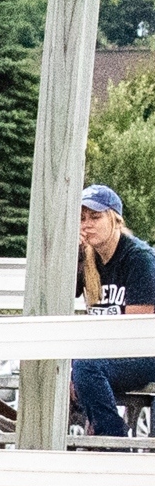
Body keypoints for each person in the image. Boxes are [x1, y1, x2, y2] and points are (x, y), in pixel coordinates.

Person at [71, 184, 155, 437]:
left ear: (116, 220)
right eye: (82, 218)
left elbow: (136, 331)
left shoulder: (139, 258)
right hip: (108, 350)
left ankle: (112, 440)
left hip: (144, 350)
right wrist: (72, 255)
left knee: (86, 367)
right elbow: (57, 293)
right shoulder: (87, 259)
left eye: (95, 217)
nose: (87, 225)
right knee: (58, 363)